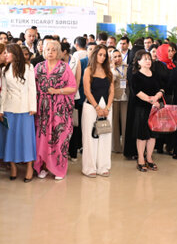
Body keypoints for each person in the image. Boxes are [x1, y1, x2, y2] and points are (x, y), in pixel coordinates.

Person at [34, 40, 77, 180]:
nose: (50, 52)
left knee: (59, 139)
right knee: (42, 139)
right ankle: (44, 167)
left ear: (58, 52)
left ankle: (58, 169)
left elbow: (73, 88)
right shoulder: (38, 67)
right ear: (43, 51)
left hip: (60, 110)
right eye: (48, 49)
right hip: (42, 110)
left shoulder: (64, 67)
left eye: (53, 50)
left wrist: (57, 91)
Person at [0, 43, 37, 181]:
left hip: (25, 108)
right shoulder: (4, 70)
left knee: (26, 138)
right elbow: (4, 91)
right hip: (9, 108)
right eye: (4, 53)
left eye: (7, 53)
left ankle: (29, 166)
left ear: (15, 53)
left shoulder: (28, 67)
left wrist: (33, 106)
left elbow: (32, 88)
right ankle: (12, 167)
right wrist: (0, 109)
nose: (5, 55)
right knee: (10, 139)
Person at [81, 44, 114, 177]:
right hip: (91, 107)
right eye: (100, 54)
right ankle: (90, 168)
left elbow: (111, 91)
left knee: (105, 136)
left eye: (104, 55)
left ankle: (103, 166)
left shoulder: (109, 71)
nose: (102, 57)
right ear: (95, 55)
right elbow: (86, 91)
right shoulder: (88, 70)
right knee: (90, 137)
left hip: (106, 108)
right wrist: (96, 107)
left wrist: (107, 108)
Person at [132, 50, 164, 173]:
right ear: (138, 61)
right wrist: (151, 100)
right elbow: (137, 92)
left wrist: (157, 97)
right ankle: (140, 159)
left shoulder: (155, 74)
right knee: (142, 135)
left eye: (149, 59)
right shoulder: (136, 76)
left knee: (152, 135)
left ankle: (149, 158)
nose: (148, 61)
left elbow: (161, 88)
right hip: (142, 108)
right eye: (145, 59)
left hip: (155, 109)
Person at [110, 48, 129, 154]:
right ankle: (115, 147)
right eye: (115, 57)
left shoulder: (126, 67)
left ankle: (126, 147)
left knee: (125, 122)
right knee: (114, 123)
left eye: (119, 56)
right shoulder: (109, 68)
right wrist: (113, 68)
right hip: (114, 98)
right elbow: (111, 80)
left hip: (125, 97)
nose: (117, 58)